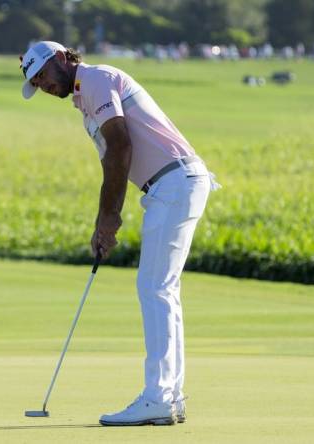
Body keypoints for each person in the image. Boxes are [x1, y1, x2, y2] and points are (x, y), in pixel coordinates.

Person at [19, 41, 220, 426]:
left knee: (154, 288)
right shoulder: (84, 97)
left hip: (174, 182)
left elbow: (120, 147)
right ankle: (170, 397)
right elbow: (115, 157)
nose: (41, 84)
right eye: (35, 81)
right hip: (172, 185)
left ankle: (158, 396)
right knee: (163, 289)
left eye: (42, 74)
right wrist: (106, 218)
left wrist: (107, 217)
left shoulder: (96, 80)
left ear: (61, 59)